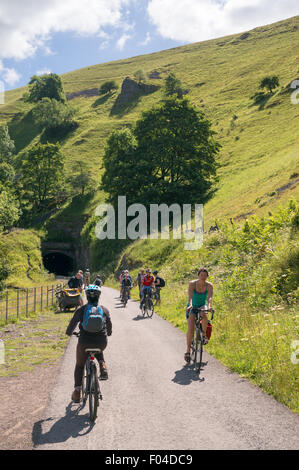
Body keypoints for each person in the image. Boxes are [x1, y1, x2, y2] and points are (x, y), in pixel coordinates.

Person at [66, 285, 112, 403]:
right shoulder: (104, 309)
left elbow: (72, 324)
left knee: (80, 365)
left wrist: (69, 333)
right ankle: (102, 364)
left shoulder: (81, 310)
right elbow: (109, 327)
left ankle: (77, 392)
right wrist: (108, 333)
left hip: (84, 342)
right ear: (99, 296)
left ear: (87, 296)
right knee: (98, 349)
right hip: (101, 342)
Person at [184, 268, 213, 363]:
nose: (203, 277)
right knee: (190, 329)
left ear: (207, 276)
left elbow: (209, 298)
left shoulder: (209, 285)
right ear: (198, 275)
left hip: (202, 305)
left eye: (205, 275)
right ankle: (188, 351)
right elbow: (190, 296)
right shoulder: (192, 283)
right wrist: (191, 305)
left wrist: (209, 306)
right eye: (201, 275)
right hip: (192, 306)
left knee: (205, 314)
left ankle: (204, 335)